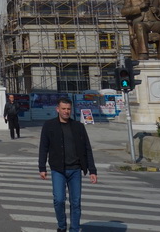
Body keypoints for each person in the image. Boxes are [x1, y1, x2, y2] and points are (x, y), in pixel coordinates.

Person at [39, 97, 98, 232]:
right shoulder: (49, 125)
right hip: (58, 170)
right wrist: (42, 167)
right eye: (63, 109)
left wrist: (92, 170)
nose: (66, 111)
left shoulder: (78, 126)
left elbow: (87, 148)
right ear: (57, 109)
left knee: (75, 203)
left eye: (68, 109)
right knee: (59, 200)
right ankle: (62, 226)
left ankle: (74, 229)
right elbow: (43, 147)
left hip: (75, 169)